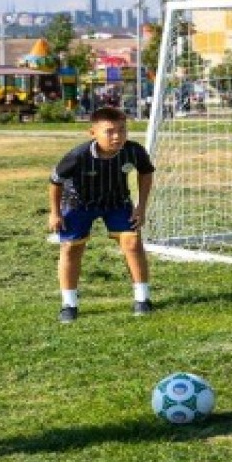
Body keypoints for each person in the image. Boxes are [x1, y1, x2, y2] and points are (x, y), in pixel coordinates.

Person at [48, 106, 156, 323]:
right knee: (71, 248)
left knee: (133, 243)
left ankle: (142, 299)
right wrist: (55, 213)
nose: (117, 136)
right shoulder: (77, 156)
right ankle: (69, 304)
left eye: (122, 130)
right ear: (93, 133)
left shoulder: (133, 151)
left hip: (117, 202)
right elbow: (55, 182)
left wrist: (141, 206)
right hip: (78, 204)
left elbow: (146, 173)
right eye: (109, 131)